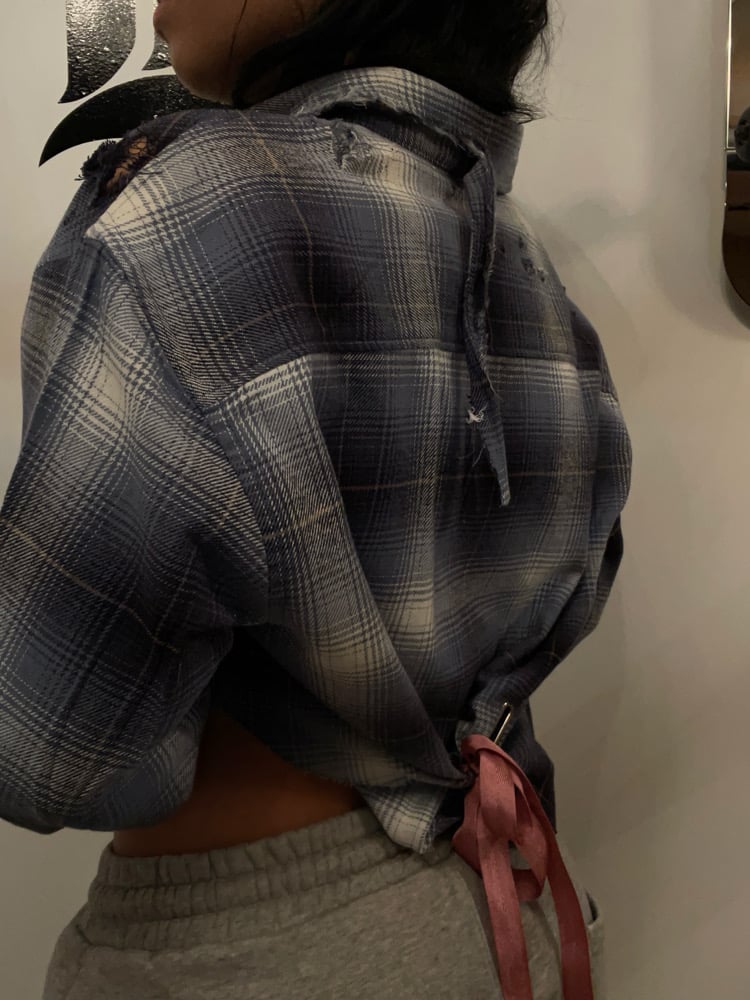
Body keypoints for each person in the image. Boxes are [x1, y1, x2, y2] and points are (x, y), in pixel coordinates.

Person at [0, 0, 632, 997]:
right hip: (501, 906)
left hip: (255, 952)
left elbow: (46, 752)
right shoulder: (530, 272)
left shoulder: (186, 207)